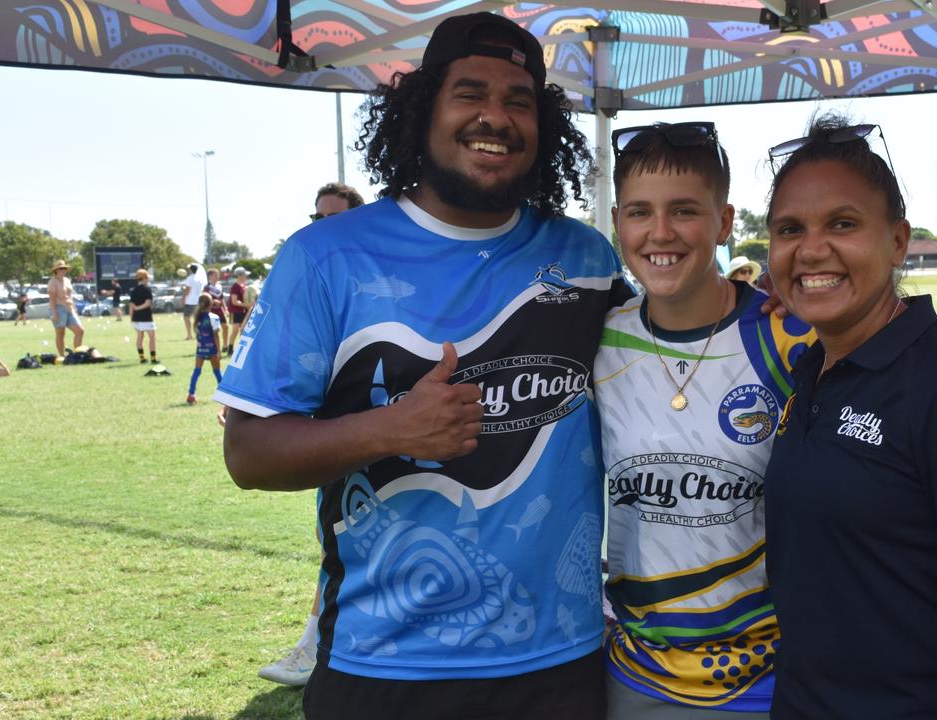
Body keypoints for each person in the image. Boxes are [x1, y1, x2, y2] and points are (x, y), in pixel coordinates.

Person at [216, 12, 630, 719]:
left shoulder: (588, 259)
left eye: (518, 100)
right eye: (470, 94)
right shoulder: (326, 258)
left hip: (564, 663)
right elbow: (248, 454)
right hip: (384, 669)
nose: (494, 117)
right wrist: (390, 429)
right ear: (423, 109)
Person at [762, 116, 937, 719]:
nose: (810, 249)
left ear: (898, 241)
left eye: (843, 224)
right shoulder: (809, 371)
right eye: (789, 229)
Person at [595, 122, 813, 718]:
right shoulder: (595, 338)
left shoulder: (791, 338)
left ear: (723, 222)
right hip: (635, 678)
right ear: (618, 222)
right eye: (640, 212)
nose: (659, 233)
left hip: (770, 680)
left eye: (684, 211)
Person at [253, 183, 365, 687]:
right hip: (328, 443)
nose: (322, 226)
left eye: (333, 217)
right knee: (329, 541)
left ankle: (317, 644)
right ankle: (314, 642)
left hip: (368, 449)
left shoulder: (365, 281)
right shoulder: (313, 274)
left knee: (337, 544)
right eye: (317, 217)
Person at [187, 293, 222, 403]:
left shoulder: (197, 317)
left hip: (201, 348)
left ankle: (191, 394)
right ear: (211, 303)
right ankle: (225, 395)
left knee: (197, 371)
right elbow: (216, 335)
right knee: (217, 371)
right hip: (212, 348)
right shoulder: (214, 317)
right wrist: (218, 351)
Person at [47, 259, 84, 356]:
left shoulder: (67, 280)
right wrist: (54, 312)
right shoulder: (52, 282)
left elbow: (70, 295)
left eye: (64, 268)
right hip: (58, 308)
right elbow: (52, 298)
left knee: (80, 330)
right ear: (56, 270)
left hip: (69, 308)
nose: (63, 270)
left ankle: (77, 354)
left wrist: (74, 308)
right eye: (60, 268)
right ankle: (62, 356)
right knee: (60, 333)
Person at [129, 269, 159, 364]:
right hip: (146, 317)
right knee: (152, 337)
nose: (148, 280)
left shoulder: (134, 290)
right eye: (147, 278)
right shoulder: (147, 289)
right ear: (144, 278)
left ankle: (142, 358)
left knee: (140, 337)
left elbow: (131, 306)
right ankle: (153, 358)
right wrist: (138, 308)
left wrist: (131, 318)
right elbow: (148, 303)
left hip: (136, 318)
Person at [203, 268, 231, 351]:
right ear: (210, 276)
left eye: (217, 275)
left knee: (225, 327)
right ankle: (214, 347)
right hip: (211, 310)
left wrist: (225, 308)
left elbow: (221, 298)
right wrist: (213, 300)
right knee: (214, 330)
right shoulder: (207, 287)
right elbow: (204, 298)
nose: (217, 276)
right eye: (215, 275)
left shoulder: (219, 286)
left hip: (219, 310)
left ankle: (225, 346)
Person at [226, 267, 250, 356]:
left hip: (243, 312)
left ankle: (242, 349)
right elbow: (234, 301)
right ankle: (230, 349)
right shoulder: (235, 286)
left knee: (244, 330)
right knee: (235, 330)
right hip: (236, 311)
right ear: (240, 276)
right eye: (244, 275)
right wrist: (247, 305)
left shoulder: (243, 286)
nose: (246, 276)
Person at [180, 263, 206, 340]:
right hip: (198, 301)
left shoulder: (190, 278)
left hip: (190, 301)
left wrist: (183, 298)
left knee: (186, 317)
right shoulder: (200, 279)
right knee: (197, 318)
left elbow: (187, 289)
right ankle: (199, 333)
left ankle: (189, 335)